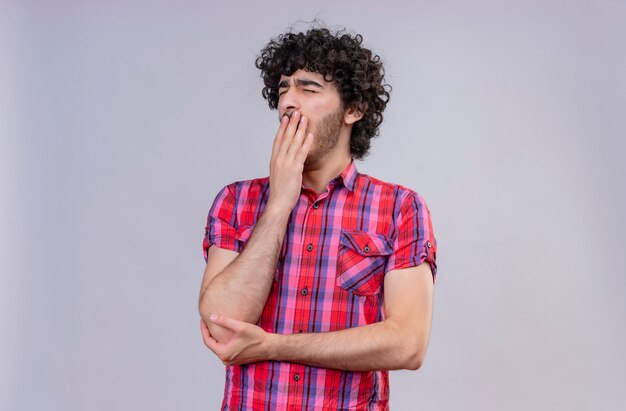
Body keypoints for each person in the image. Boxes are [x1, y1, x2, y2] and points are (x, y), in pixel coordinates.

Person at [198, 26, 437, 410]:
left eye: (308, 89)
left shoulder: (400, 208)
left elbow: (407, 344)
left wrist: (274, 346)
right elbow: (222, 322)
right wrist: (278, 204)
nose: (289, 103)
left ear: (353, 109)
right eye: (282, 90)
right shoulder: (236, 201)